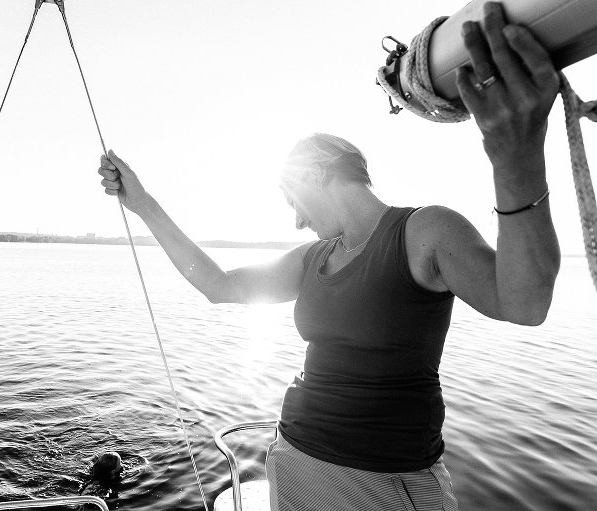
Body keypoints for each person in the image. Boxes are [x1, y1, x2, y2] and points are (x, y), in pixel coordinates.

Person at [96, 3, 560, 510]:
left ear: (316, 174)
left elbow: (525, 303)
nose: (296, 221)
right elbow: (217, 286)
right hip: (292, 460)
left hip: (381, 485)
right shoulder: (315, 257)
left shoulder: (424, 230)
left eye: (294, 202)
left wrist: (515, 155)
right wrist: (141, 203)